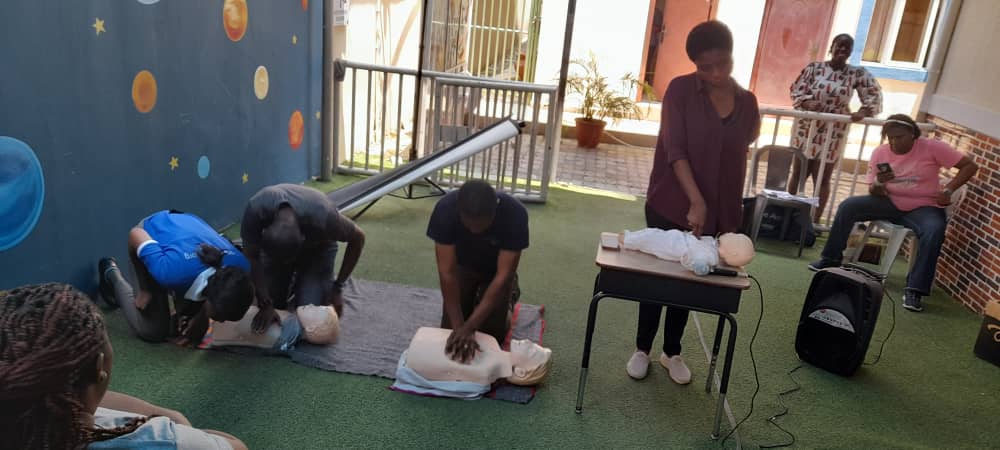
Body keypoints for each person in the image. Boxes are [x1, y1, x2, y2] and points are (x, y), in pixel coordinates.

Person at [628, 20, 760, 384]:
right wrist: (696, 200)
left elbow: (741, 151)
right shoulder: (680, 90)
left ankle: (672, 352)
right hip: (670, 201)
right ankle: (641, 348)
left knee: (691, 278)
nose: (717, 73)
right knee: (658, 278)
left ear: (733, 56)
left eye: (724, 64)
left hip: (719, 210)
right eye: (707, 67)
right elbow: (675, 150)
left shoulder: (748, 102)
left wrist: (726, 212)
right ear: (695, 65)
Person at [0, 282, 247, 449]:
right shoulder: (159, 440)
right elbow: (234, 446)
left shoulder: (25, 420)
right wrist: (175, 428)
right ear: (100, 367)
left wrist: (162, 413)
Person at [809, 114, 978, 312]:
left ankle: (915, 289)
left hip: (923, 206)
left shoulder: (933, 147)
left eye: (900, 137)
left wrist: (948, 190)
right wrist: (879, 183)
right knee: (848, 206)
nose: (895, 142)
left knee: (935, 229)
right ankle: (830, 259)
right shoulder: (880, 152)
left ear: (914, 135)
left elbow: (970, 166)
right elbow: (873, 190)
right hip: (887, 202)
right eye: (891, 138)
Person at [99, 210, 253, 345]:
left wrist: (201, 317)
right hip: (152, 232)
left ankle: (184, 310)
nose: (221, 322)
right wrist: (146, 290)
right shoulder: (171, 272)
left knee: (182, 321)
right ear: (211, 299)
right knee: (153, 330)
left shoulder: (242, 267)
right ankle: (111, 274)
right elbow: (135, 235)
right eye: (222, 317)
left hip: (185, 230)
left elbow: (211, 294)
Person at [427, 180, 529, 363]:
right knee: (450, 332)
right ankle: (474, 304)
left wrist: (471, 326)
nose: (474, 230)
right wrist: (459, 327)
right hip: (462, 267)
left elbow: (502, 276)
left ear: (494, 212)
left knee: (489, 338)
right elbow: (447, 273)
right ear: (459, 211)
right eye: (469, 224)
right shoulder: (445, 210)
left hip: (496, 272)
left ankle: (510, 296)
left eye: (482, 225)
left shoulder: (515, 214)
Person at [241, 183, 365, 332]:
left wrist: (338, 287)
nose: (286, 262)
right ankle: (290, 281)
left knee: (311, 321)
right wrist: (265, 303)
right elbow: (251, 257)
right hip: (273, 251)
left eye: (288, 259)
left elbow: (358, 238)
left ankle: (303, 281)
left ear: (303, 238)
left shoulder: (325, 217)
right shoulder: (256, 209)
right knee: (268, 301)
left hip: (318, 250)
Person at [789, 34, 883, 221]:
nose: (842, 50)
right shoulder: (815, 68)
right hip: (807, 128)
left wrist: (863, 111)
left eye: (847, 48)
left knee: (822, 178)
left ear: (850, 52)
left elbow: (874, 95)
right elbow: (796, 89)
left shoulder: (856, 73)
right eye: (839, 46)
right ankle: (789, 215)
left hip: (834, 132)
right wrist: (807, 103)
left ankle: (814, 221)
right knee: (799, 173)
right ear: (831, 47)